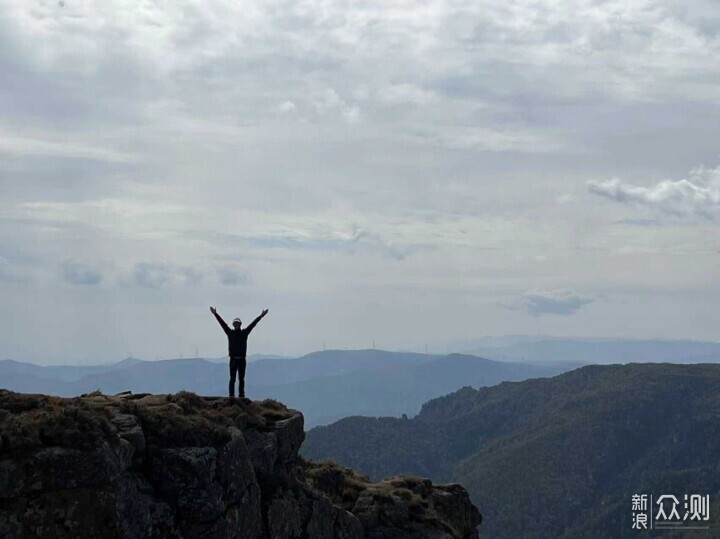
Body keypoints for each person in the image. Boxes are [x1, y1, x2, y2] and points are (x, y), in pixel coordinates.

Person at [210, 306, 268, 398]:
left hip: (240, 359)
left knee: (241, 379)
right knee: (233, 379)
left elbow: (253, 324)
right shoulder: (233, 333)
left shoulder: (241, 333)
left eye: (237, 323)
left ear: (239, 324)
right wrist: (215, 314)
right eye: (235, 323)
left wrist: (261, 316)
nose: (236, 325)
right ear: (234, 325)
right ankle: (232, 396)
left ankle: (241, 396)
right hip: (234, 359)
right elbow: (222, 324)